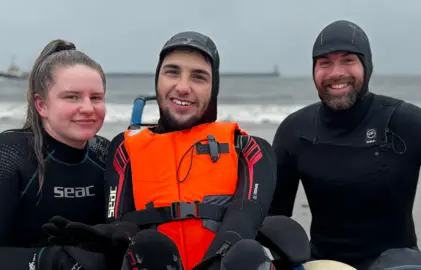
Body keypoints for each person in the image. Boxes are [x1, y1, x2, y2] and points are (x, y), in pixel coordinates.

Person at [44, 31, 277, 270]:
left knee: (249, 252)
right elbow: (121, 220)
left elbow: (242, 221)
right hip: (154, 262)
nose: (183, 87)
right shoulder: (125, 149)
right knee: (149, 244)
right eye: (172, 72)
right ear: (158, 79)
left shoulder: (248, 149)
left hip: (222, 264)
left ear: (213, 87)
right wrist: (116, 235)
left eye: (198, 77)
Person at [269, 19, 421, 269]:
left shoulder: (403, 122)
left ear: (366, 65)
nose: (335, 72)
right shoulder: (294, 130)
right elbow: (274, 215)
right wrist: (288, 257)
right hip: (323, 265)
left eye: (348, 60)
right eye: (324, 62)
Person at [0, 39, 111, 269]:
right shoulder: (10, 155)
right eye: (72, 97)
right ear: (41, 105)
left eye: (96, 97)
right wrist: (48, 260)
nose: (88, 108)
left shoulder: (105, 154)